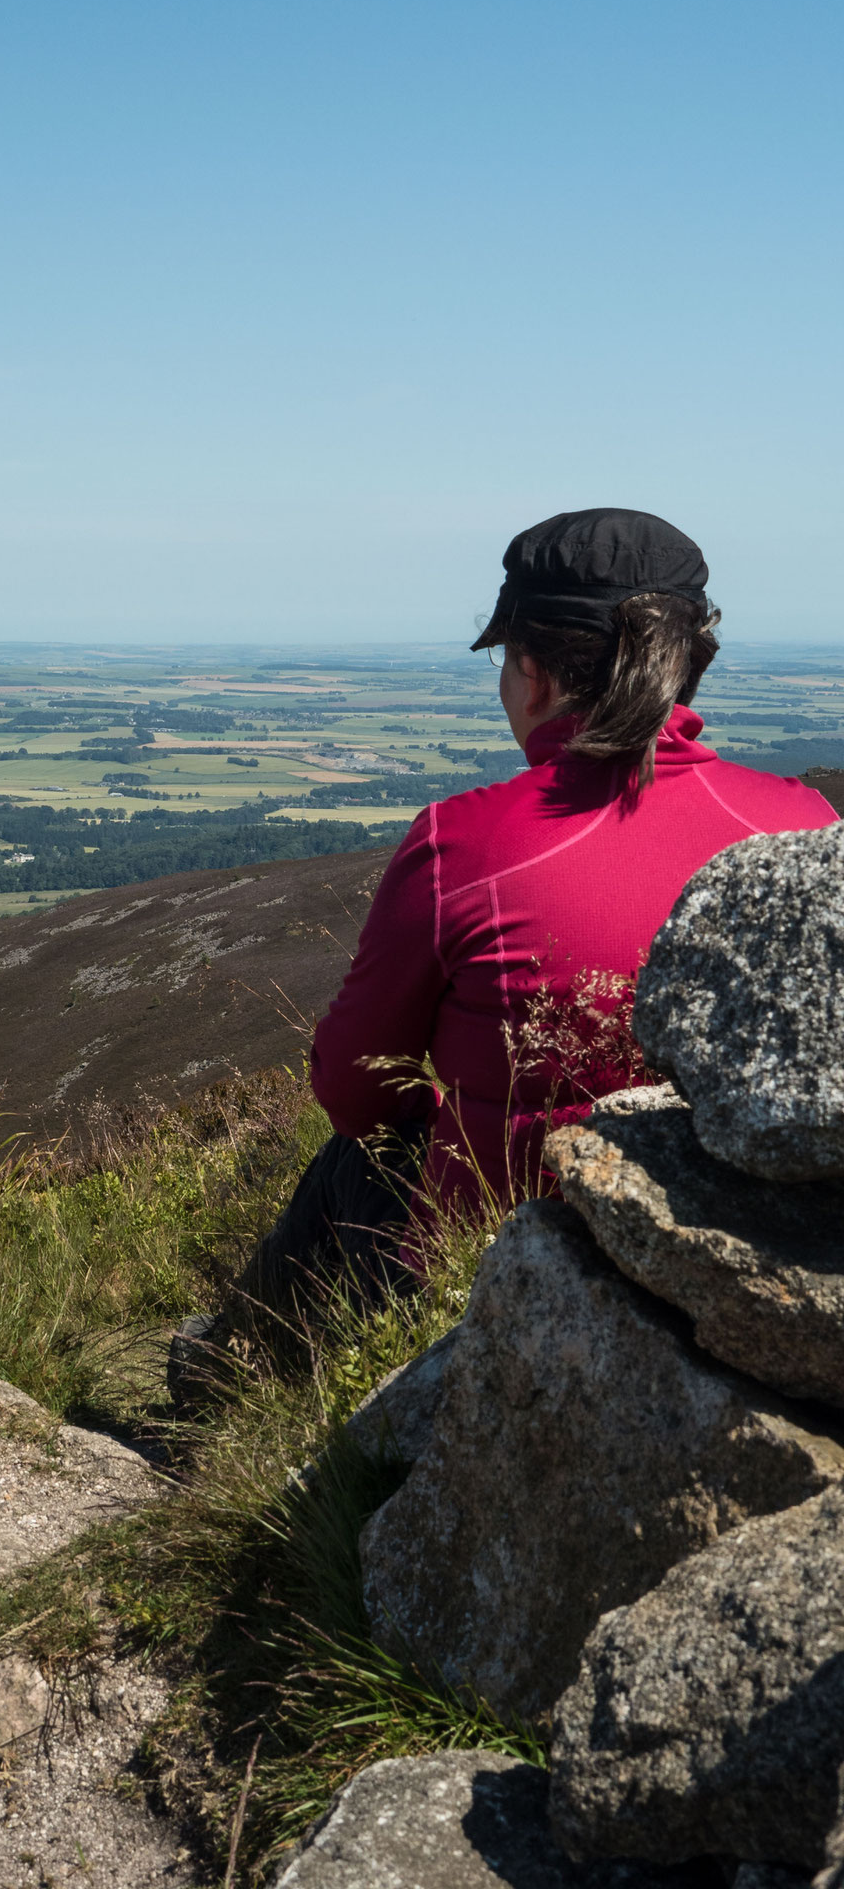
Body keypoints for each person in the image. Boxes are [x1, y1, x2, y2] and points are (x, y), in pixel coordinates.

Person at [170, 509, 837, 1391]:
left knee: (351, 1162)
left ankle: (223, 1392)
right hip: (763, 1265)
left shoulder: (464, 843)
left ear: (531, 671)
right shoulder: (808, 826)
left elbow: (353, 1088)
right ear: (687, 662)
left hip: (493, 1267)